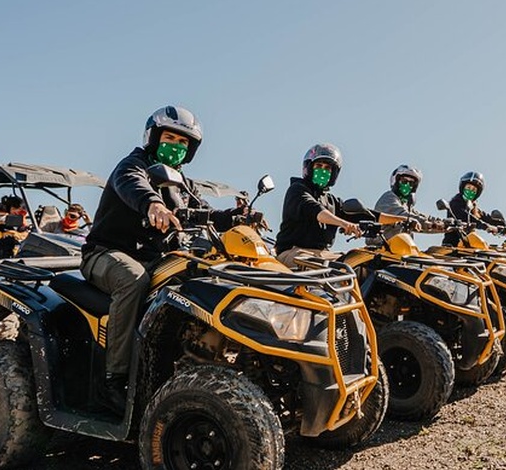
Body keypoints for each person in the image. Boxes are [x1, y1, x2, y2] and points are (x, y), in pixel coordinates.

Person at [80, 105, 238, 414]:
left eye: (183, 144)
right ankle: (115, 380)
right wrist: (153, 205)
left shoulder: (180, 183)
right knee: (133, 280)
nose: (176, 147)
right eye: (170, 138)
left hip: (154, 259)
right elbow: (134, 187)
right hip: (106, 253)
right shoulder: (132, 166)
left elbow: (202, 210)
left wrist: (234, 217)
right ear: (152, 138)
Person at [275, 143, 405, 268]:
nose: (323, 171)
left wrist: (404, 220)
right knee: (331, 272)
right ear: (308, 167)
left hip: (323, 254)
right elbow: (317, 212)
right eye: (318, 166)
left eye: (327, 168)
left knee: (364, 263)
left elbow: (371, 215)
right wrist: (344, 224)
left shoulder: (332, 201)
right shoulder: (297, 189)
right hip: (294, 253)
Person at [370, 165, 445, 244]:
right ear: (395, 181)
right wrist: (425, 223)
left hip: (400, 248)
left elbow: (420, 216)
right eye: (404, 181)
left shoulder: (405, 205)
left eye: (411, 183)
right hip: (381, 247)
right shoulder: (389, 198)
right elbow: (405, 215)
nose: (407, 185)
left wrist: (443, 223)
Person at [441, 171, 499, 247]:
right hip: (452, 246)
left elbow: (485, 217)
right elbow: (467, 216)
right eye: (468, 188)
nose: (470, 191)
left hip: (467, 244)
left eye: (474, 190)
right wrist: (486, 226)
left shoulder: (473, 207)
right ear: (463, 187)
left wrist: (503, 224)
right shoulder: (455, 203)